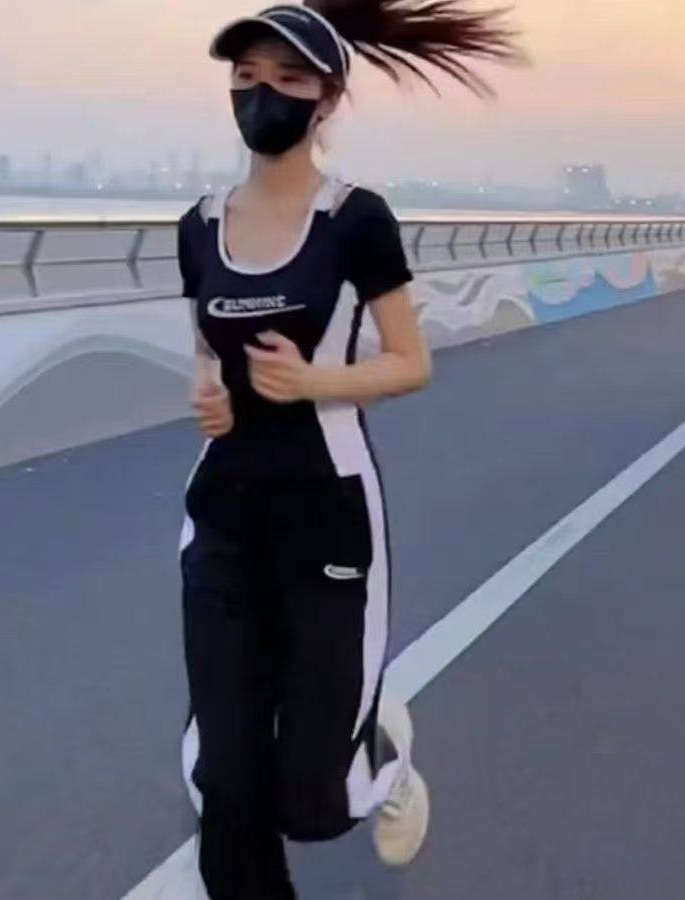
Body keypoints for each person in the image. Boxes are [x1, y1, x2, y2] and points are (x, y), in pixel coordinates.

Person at [170, 2, 525, 897]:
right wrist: (207, 392)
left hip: (326, 515)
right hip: (221, 514)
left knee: (315, 804)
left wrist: (313, 383)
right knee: (229, 794)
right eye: (248, 76)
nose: (263, 94)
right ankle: (223, 743)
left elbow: (411, 362)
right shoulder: (199, 225)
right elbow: (208, 348)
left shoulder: (355, 219)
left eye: (289, 78)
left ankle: (383, 761)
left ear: (326, 100)